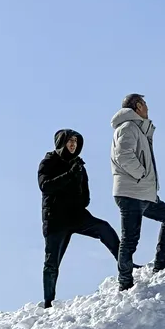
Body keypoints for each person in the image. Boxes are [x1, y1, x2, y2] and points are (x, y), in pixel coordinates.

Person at [38, 129, 119, 308]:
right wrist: (70, 174)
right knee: (52, 263)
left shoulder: (79, 165)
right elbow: (45, 186)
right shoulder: (48, 162)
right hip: (55, 219)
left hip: (77, 215)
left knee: (104, 228)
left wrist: (81, 198)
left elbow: (86, 193)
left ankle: (125, 264)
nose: (73, 144)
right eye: (70, 141)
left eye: (75, 141)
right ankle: (48, 303)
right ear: (61, 142)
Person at [111, 94, 165, 290]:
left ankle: (161, 264)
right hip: (131, 193)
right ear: (138, 106)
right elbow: (123, 155)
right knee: (130, 240)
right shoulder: (128, 127)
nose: (148, 108)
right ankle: (125, 283)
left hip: (143, 193)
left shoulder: (138, 128)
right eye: (145, 104)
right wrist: (141, 174)